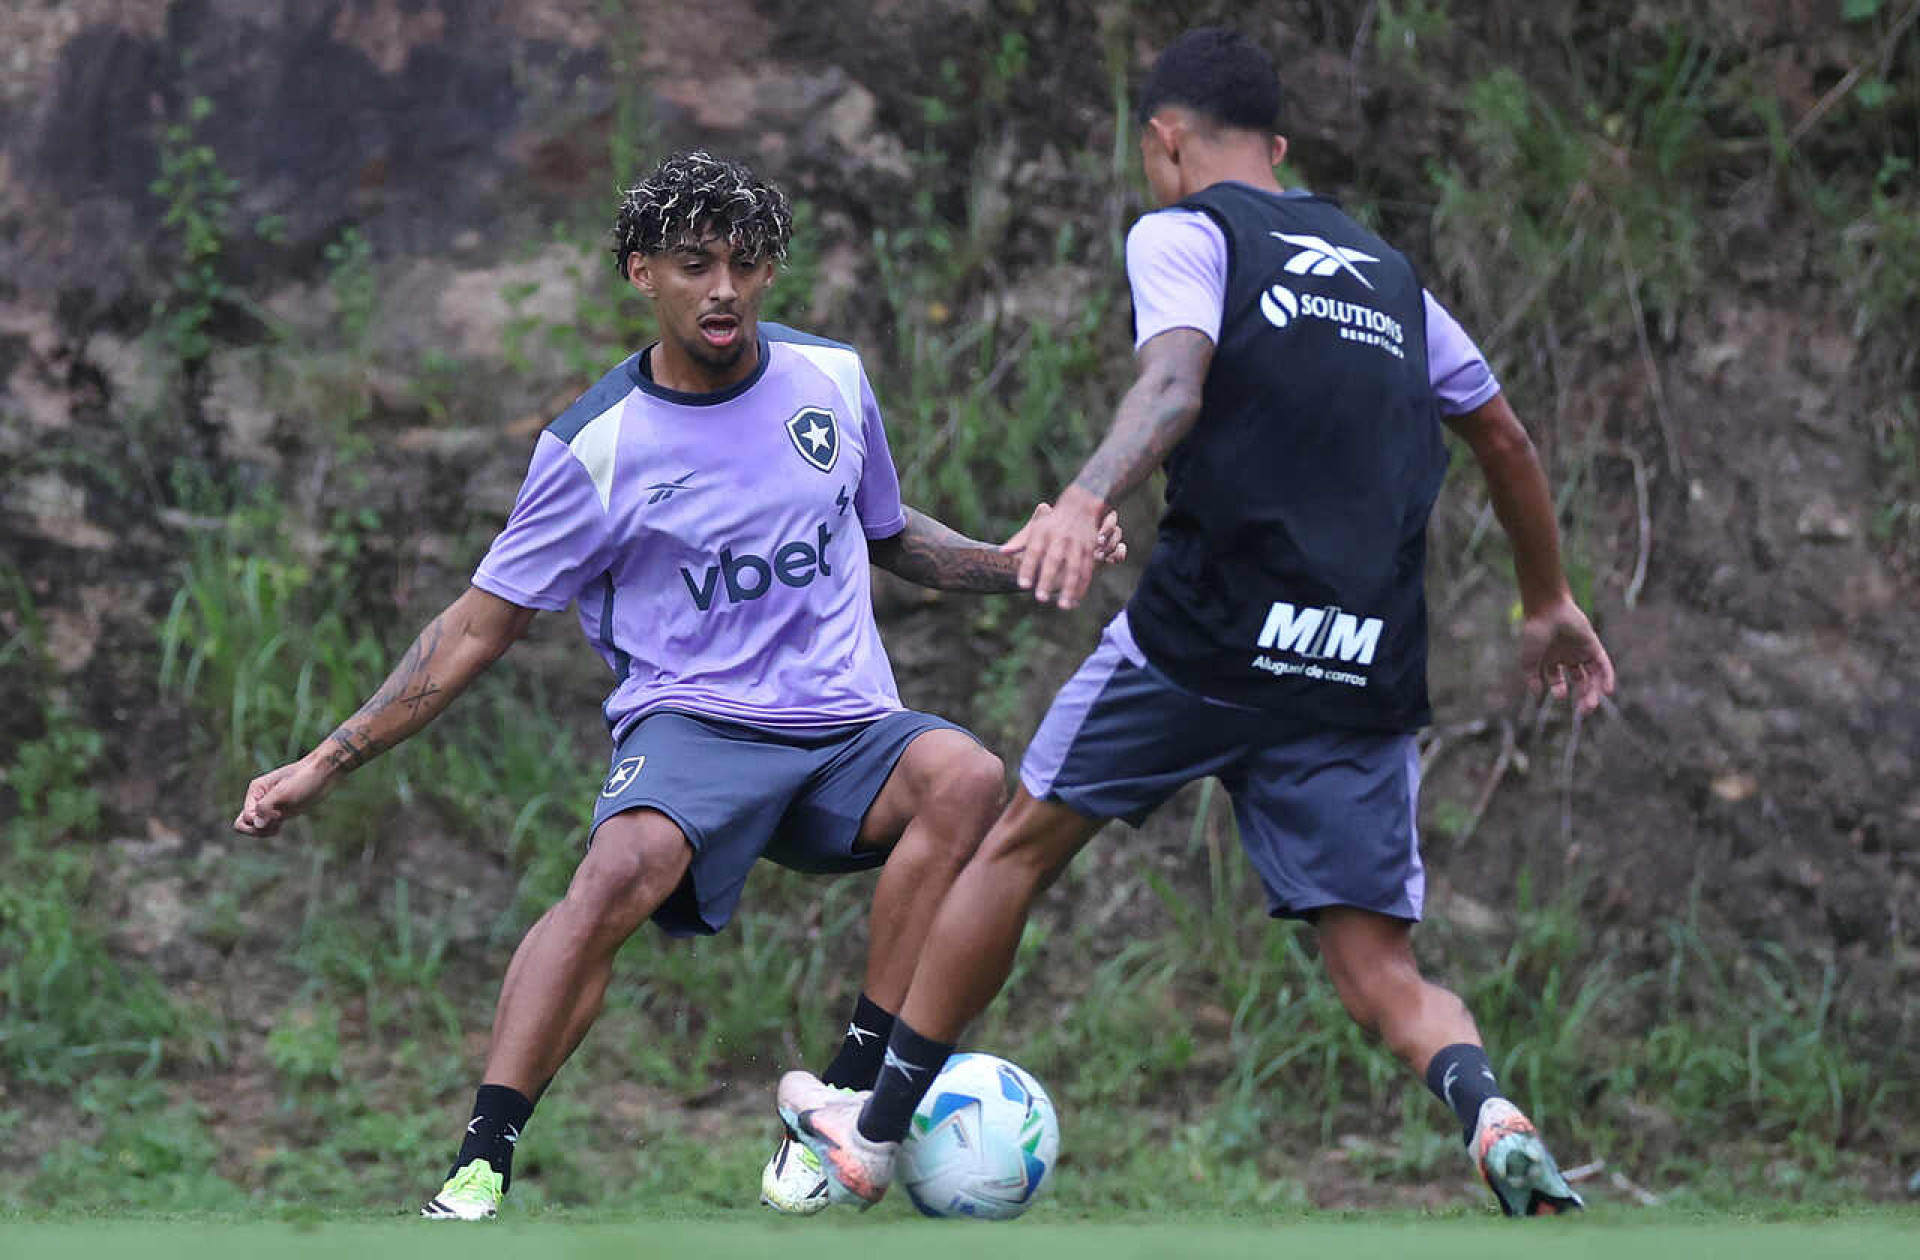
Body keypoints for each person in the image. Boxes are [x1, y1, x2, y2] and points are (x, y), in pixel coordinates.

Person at [778, 28, 1615, 1218]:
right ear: (1277, 147)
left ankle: (870, 1134)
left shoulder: (1187, 233)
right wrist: (1548, 602)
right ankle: (1489, 1110)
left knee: (1018, 842)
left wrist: (1080, 500)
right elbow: (1506, 440)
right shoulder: (1392, 277)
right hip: (1360, 658)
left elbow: (1173, 380)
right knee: (1380, 965)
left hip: (1209, 640)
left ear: (1165, 141)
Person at [231, 150, 1124, 1221]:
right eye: (696, 265)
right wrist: (326, 762)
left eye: (747, 266)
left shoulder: (831, 380)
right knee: (616, 874)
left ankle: (844, 1095)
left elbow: (891, 536)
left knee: (970, 780)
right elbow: (476, 628)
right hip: (693, 724)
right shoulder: (593, 449)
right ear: (640, 272)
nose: (725, 291)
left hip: (846, 728)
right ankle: (480, 1164)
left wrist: (1014, 559)